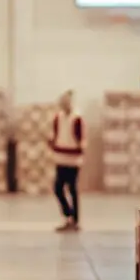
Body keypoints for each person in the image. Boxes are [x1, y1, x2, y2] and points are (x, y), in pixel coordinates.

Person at [49, 90, 85, 232]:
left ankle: (74, 220)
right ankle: (68, 214)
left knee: (72, 189)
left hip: (73, 160)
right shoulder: (58, 118)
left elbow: (81, 141)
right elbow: (55, 136)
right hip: (61, 159)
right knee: (58, 188)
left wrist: (76, 150)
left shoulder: (77, 119)